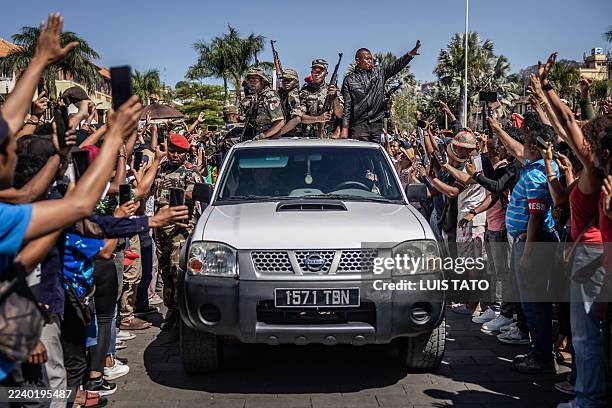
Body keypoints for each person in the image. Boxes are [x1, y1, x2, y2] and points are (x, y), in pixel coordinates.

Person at [153, 133, 202, 330]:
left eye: (179, 152)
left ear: (185, 153)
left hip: (181, 228)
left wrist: (177, 189)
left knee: (177, 271)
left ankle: (182, 313)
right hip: (161, 229)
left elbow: (195, 192)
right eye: (171, 151)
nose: (174, 155)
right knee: (165, 271)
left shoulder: (190, 171)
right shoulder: (160, 169)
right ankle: (171, 309)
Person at [340, 40, 421, 142]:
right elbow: (347, 107)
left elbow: (395, 66)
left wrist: (409, 55)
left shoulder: (379, 72)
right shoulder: (349, 79)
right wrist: (344, 128)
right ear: (357, 61)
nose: (370, 61)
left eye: (371, 59)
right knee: (360, 154)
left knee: (375, 154)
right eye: (367, 59)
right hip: (358, 125)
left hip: (376, 124)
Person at [298, 60, 343, 138]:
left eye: (320, 71)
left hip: (329, 136)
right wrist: (318, 119)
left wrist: (334, 98)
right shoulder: (304, 91)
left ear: (326, 74)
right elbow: (300, 117)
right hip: (308, 137)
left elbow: (340, 114)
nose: (317, 74)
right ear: (311, 72)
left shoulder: (334, 90)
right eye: (314, 70)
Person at [239, 67, 285, 141]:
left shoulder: (270, 95)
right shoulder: (258, 97)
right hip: (258, 139)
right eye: (249, 79)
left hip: (268, 141)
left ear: (262, 80)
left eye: (254, 79)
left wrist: (263, 136)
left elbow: (280, 123)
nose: (251, 81)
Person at [274, 69, 304, 138]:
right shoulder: (281, 94)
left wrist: (278, 134)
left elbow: (296, 119)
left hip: (292, 135)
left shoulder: (293, 95)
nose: (286, 82)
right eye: (284, 80)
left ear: (296, 82)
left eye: (289, 80)